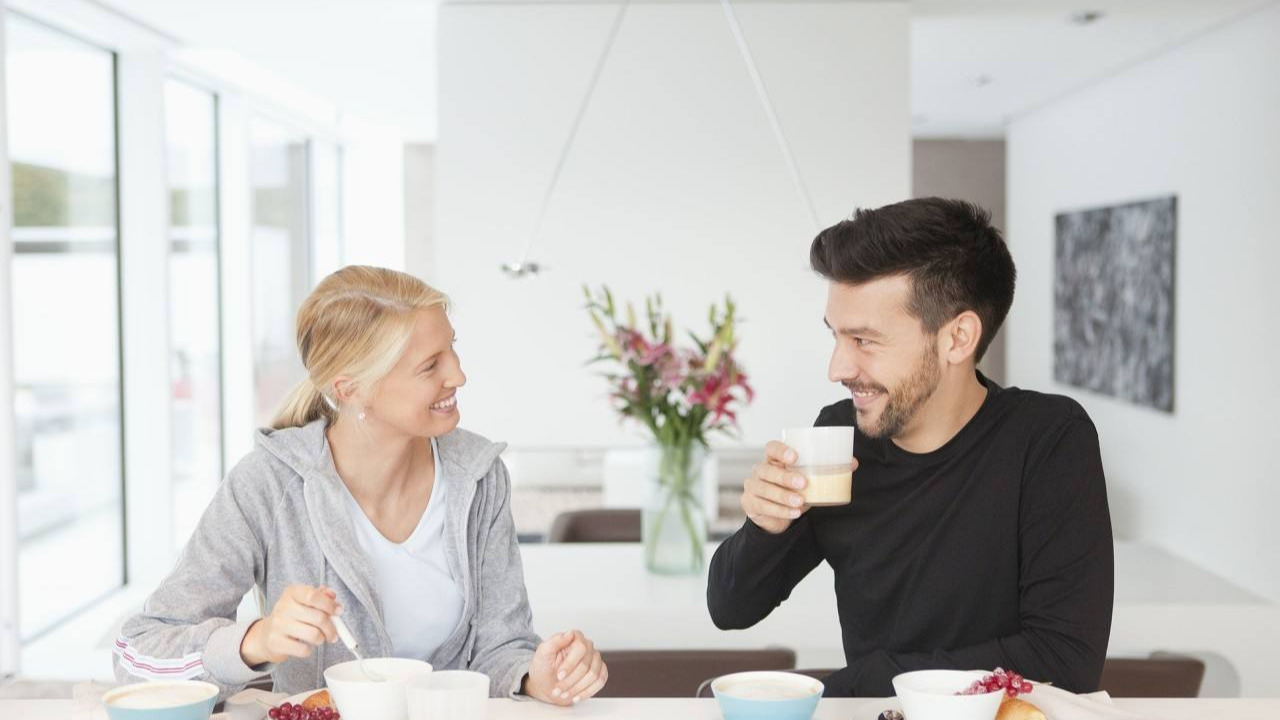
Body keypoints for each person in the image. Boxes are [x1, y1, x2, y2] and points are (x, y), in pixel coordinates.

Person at [114, 266, 608, 705]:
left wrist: (533, 673)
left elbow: (502, 647)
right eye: (429, 365)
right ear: (350, 389)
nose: (458, 374)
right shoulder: (268, 484)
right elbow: (139, 652)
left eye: (451, 349)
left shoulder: (478, 476)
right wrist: (255, 641)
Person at [707, 198, 1113, 697]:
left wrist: (861, 684)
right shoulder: (841, 436)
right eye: (836, 336)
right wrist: (763, 528)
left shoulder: (1047, 439)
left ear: (958, 337)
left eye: (865, 340)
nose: (837, 368)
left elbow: (1066, 661)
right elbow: (731, 609)